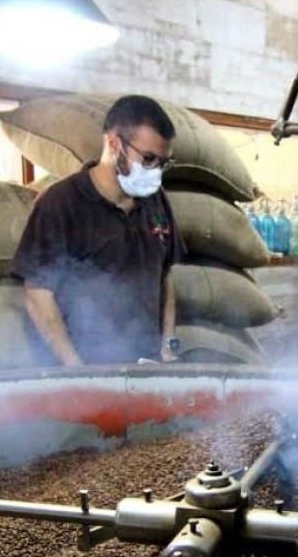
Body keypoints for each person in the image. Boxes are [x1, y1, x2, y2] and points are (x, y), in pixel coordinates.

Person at [12, 95, 184, 365]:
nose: (155, 171)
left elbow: (165, 274)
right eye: (148, 159)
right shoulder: (60, 203)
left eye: (163, 163)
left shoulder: (156, 200)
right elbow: (38, 295)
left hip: (147, 365)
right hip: (88, 366)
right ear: (114, 144)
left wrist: (168, 346)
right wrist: (76, 370)